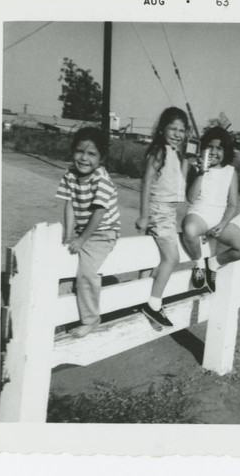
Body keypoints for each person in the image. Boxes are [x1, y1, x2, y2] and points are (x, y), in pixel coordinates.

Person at [56, 127, 120, 338]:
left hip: (103, 233)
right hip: (83, 232)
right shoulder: (70, 175)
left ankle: (91, 320)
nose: (84, 158)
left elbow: (99, 211)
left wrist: (82, 239)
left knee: (86, 273)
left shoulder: (101, 179)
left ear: (101, 158)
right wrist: (68, 234)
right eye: (80, 151)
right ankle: (60, 319)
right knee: (62, 269)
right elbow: (70, 205)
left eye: (92, 154)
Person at [135, 107, 191, 328]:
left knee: (150, 258)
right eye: (173, 128)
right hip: (159, 210)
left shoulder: (177, 155)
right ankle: (153, 304)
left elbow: (182, 187)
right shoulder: (159, 151)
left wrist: (188, 162)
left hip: (169, 211)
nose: (177, 133)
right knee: (172, 258)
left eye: (182, 130)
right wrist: (143, 214)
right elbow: (146, 182)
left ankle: (138, 300)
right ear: (162, 130)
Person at [182, 126, 240, 292]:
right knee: (190, 229)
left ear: (226, 151)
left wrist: (222, 224)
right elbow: (191, 198)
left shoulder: (230, 172)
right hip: (198, 215)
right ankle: (199, 263)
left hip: (219, 220)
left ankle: (212, 264)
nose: (214, 152)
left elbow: (232, 205)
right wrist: (201, 172)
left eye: (219, 148)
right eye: (210, 147)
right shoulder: (195, 167)